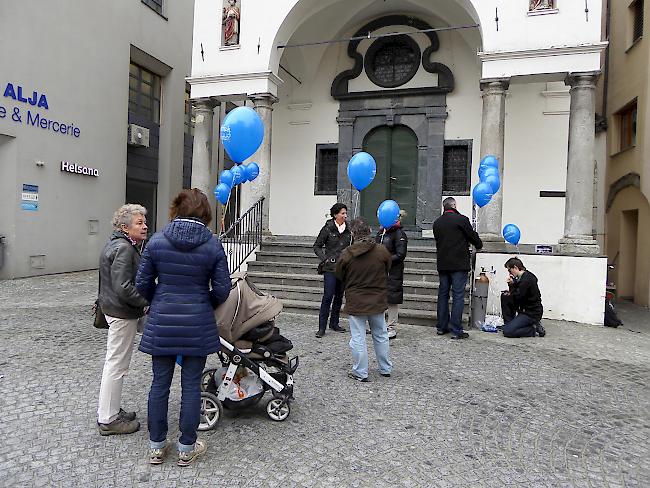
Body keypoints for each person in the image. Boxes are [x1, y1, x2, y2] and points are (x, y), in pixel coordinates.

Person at [136, 189, 231, 466]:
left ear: (176, 209)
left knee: (159, 384)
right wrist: (204, 303)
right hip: (197, 324)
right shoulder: (213, 245)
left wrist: (161, 300)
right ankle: (186, 448)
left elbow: (142, 283)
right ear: (205, 212)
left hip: (163, 322)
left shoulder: (156, 240)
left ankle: (156, 447)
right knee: (191, 386)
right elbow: (223, 289)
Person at [97, 204, 149, 436]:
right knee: (117, 364)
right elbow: (123, 287)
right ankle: (108, 418)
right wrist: (145, 302)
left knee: (116, 363)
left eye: (144, 221)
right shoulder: (124, 248)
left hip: (116, 310)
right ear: (125, 227)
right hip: (121, 312)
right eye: (139, 223)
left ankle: (112, 410)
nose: (145, 226)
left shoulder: (119, 244)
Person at [336, 218, 393, 382]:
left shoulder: (347, 253)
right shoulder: (381, 251)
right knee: (381, 334)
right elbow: (388, 267)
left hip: (356, 300)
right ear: (369, 231)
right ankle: (385, 368)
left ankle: (360, 371)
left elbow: (339, 274)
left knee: (358, 337)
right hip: (377, 299)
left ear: (353, 234)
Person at [432, 197, 483, 339]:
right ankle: (456, 329)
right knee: (458, 295)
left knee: (443, 294)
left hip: (443, 263)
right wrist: (478, 245)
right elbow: (472, 237)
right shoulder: (461, 220)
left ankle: (441, 327)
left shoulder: (437, 223)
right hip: (459, 263)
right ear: (454, 205)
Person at [313, 203, 352, 338]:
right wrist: (325, 259)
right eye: (342, 213)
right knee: (328, 296)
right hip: (330, 268)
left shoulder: (349, 229)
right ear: (335, 214)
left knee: (339, 296)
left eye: (345, 213)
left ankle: (334, 323)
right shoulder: (328, 228)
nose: (345, 215)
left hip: (343, 268)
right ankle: (321, 327)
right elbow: (317, 246)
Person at [375, 210, 408, 339]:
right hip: (380, 270)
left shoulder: (399, 234)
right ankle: (379, 325)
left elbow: (401, 254)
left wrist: (386, 259)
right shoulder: (381, 232)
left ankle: (391, 327)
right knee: (380, 297)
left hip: (393, 271)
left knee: (392, 300)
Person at [501, 257, 545, 338]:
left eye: (509, 270)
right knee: (505, 296)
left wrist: (511, 285)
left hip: (531, 313)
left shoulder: (526, 280)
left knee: (508, 332)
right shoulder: (521, 278)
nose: (509, 273)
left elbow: (517, 297)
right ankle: (509, 324)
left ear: (515, 268)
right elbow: (516, 294)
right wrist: (511, 288)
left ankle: (533, 330)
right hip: (524, 309)